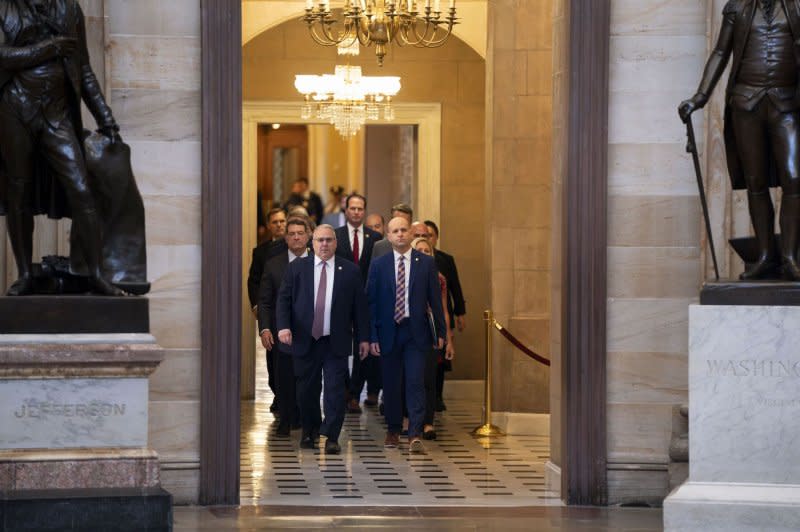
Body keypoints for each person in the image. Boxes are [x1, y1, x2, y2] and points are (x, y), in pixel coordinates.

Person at [0, 0, 125, 296]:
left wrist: (105, 117)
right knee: (19, 192)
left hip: (57, 114)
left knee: (82, 189)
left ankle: (95, 273)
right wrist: (50, 47)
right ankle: (26, 274)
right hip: (15, 109)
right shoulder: (5, 7)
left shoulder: (69, 9)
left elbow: (83, 68)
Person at [679, 0, 800, 280]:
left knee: (794, 178)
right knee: (755, 181)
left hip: (786, 104)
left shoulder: (795, 6)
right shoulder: (737, 8)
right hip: (747, 104)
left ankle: (790, 257)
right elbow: (721, 52)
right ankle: (766, 256)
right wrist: (699, 97)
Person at [276, 224, 370, 454]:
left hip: (334, 340)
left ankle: (331, 436)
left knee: (335, 390)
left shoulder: (349, 271)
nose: (324, 244)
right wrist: (283, 327)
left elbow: (360, 308)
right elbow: (284, 300)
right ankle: (309, 431)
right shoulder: (297, 268)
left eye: (329, 240)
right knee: (306, 390)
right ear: (312, 242)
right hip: (305, 340)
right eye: (320, 240)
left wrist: (364, 338)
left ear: (336, 243)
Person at [367, 217, 445, 453]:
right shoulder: (378, 265)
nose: (400, 234)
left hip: (416, 332)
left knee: (415, 381)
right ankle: (393, 430)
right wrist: (372, 337)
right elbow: (369, 303)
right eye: (395, 231)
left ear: (411, 234)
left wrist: (440, 332)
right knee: (391, 384)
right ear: (388, 236)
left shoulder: (426, 264)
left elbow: (435, 301)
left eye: (404, 230)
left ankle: (415, 433)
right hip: (388, 332)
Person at [257, 217, 311, 436]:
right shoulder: (273, 264)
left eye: (300, 233)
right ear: (285, 237)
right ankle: (286, 418)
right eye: (292, 233)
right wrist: (265, 328)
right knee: (284, 376)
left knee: (308, 376)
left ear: (308, 235)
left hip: (311, 332)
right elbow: (265, 301)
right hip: (282, 331)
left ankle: (307, 418)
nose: (296, 237)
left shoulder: (319, 262)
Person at [334, 193, 382, 413]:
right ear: (346, 210)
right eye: (352, 208)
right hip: (340, 304)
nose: (356, 212)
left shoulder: (375, 239)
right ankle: (344, 390)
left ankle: (354, 393)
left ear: (364, 211)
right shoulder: (335, 236)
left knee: (362, 350)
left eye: (360, 208)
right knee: (341, 350)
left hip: (366, 304)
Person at [412, 236, 455, 440]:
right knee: (411, 378)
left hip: (430, 332)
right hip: (410, 332)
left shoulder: (439, 278)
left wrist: (447, 338)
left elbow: (444, 310)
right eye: (418, 250)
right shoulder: (403, 273)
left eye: (426, 250)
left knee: (429, 378)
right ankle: (409, 419)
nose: (422, 253)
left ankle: (428, 422)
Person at [247, 207, 287, 410]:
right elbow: (253, 281)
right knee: (272, 357)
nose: (279, 225)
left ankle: (286, 398)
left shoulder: (296, 248)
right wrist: (256, 306)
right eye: (275, 222)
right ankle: (278, 393)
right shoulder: (261, 251)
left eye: (282, 221)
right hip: (269, 310)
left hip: (289, 312)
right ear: (269, 226)